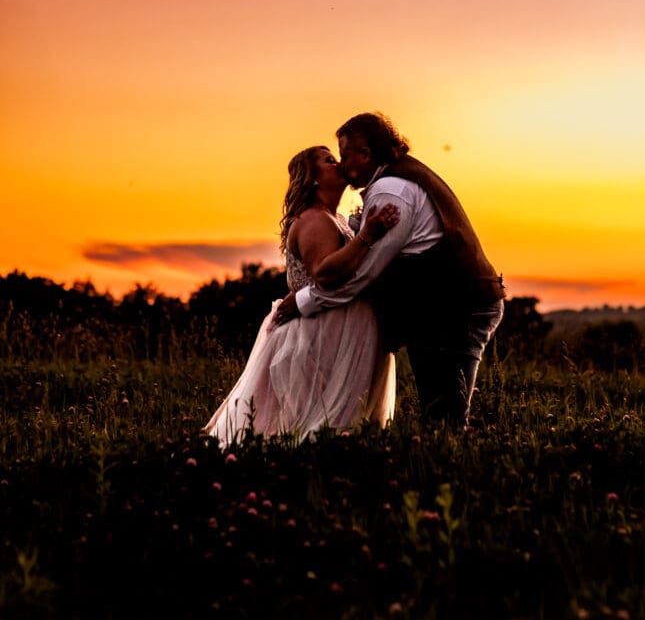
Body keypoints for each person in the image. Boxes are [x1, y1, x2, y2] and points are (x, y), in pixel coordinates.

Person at [276, 113, 505, 429]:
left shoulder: (390, 193)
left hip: (457, 306)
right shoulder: (396, 182)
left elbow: (364, 273)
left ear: (366, 154)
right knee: (437, 409)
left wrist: (304, 301)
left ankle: (442, 468)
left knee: (444, 413)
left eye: (343, 156)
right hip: (438, 308)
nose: (341, 165)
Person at [203, 146, 397, 446]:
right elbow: (326, 274)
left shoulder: (335, 218)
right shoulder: (315, 220)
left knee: (329, 422)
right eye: (329, 161)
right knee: (315, 422)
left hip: (336, 328)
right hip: (321, 333)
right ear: (314, 178)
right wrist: (368, 237)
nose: (339, 163)